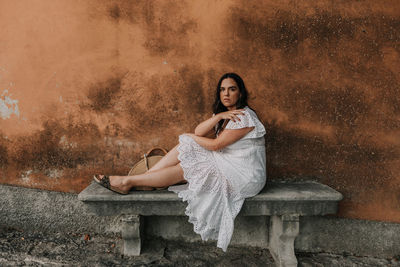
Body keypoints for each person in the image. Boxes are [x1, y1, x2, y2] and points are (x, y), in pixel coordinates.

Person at [94, 72, 267, 252]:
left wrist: (189, 137)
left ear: (240, 93)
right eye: (222, 89)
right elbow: (199, 132)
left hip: (246, 176)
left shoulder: (244, 116)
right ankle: (143, 180)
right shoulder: (226, 115)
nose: (226, 94)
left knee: (188, 159)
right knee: (188, 150)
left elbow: (215, 145)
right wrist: (216, 117)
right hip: (230, 164)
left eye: (232, 89)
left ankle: (129, 181)